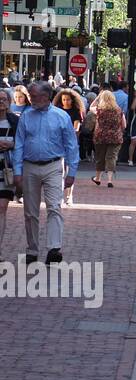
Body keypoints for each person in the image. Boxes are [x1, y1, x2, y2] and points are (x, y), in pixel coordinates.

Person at [12, 81, 79, 264]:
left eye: (34, 96)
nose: (31, 100)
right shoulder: (26, 116)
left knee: (54, 207)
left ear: (46, 97)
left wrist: (72, 171)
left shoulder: (61, 116)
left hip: (53, 165)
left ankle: (54, 248)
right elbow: (19, 144)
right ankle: (32, 250)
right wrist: (18, 170)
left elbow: (71, 145)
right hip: (30, 166)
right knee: (30, 212)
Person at [54, 89, 84, 206]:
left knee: (70, 169)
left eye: (68, 99)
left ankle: (69, 195)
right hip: (59, 143)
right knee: (59, 170)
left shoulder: (75, 111)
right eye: (64, 100)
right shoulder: (57, 111)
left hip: (71, 143)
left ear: (72, 100)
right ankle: (60, 195)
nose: (66, 102)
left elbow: (76, 127)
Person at [90, 88, 125, 187]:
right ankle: (109, 180)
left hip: (100, 137)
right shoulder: (118, 110)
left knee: (100, 157)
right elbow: (124, 125)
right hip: (115, 137)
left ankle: (98, 178)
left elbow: (90, 107)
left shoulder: (99, 110)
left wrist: (98, 97)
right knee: (111, 157)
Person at [0, 90, 19, 250]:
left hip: (6, 168)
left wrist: (11, 145)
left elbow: (23, 143)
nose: (1, 102)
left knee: (2, 207)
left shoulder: (15, 121)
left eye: (4, 99)